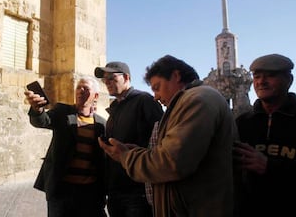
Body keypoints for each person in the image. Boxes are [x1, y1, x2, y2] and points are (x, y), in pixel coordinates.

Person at [98, 55, 237, 217]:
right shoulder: (189, 101)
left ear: (176, 76)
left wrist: (126, 156)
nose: (156, 96)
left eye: (157, 87)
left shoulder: (197, 100)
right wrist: (140, 152)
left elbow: (171, 161)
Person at [24, 76, 107, 217]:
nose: (80, 91)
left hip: (89, 193)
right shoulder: (62, 112)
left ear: (96, 95)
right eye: (78, 88)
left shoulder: (101, 124)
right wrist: (37, 110)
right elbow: (43, 121)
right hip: (62, 191)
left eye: (86, 88)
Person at [94, 61, 164, 217]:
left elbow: (162, 142)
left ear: (126, 77)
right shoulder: (115, 108)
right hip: (115, 191)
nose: (107, 82)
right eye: (105, 79)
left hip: (137, 192)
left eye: (111, 78)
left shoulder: (144, 101)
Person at [233, 53, 296, 216]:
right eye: (257, 76)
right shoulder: (243, 123)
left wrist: (270, 166)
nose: (261, 81)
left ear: (289, 80)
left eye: (271, 75)